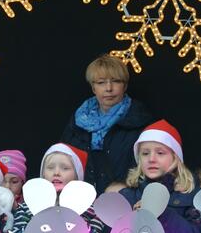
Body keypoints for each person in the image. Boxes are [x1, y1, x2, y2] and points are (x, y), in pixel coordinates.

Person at [61, 54, 153, 194]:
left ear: (125, 86)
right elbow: (62, 162)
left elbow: (153, 169)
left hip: (125, 202)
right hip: (82, 203)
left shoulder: (140, 121)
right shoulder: (77, 121)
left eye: (115, 81)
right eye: (101, 82)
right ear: (93, 88)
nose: (109, 88)